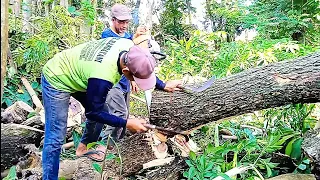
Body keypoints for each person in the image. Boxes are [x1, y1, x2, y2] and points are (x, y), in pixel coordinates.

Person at [75, 3, 182, 161]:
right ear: (113, 20)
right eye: (121, 22)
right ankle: (106, 146)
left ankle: (92, 145)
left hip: (124, 81)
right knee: (120, 114)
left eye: (127, 22)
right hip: (110, 83)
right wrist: (133, 40)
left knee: (105, 114)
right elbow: (119, 55)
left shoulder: (127, 37)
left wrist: (139, 79)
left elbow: (135, 62)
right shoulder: (106, 36)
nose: (124, 25)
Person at [41, 37, 158, 179]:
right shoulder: (103, 76)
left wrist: (163, 85)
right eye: (135, 78)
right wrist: (127, 123)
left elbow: (143, 67)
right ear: (126, 71)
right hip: (56, 77)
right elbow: (93, 113)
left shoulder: (127, 46)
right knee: (55, 137)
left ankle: (83, 148)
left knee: (104, 112)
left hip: (80, 72)